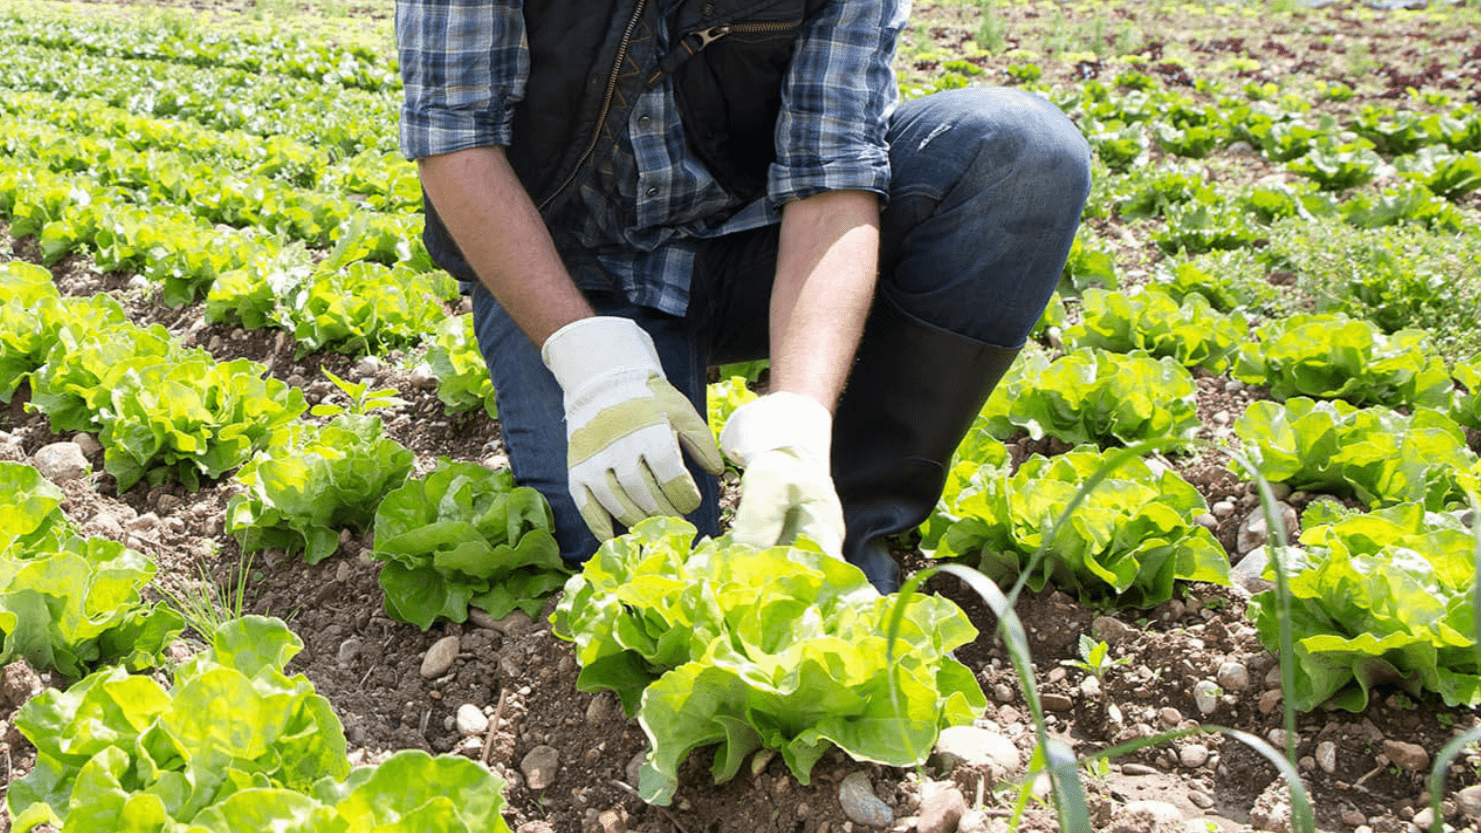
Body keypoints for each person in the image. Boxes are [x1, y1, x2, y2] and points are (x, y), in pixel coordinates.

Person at [396, 0, 1091, 593]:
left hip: (758, 243)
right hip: (575, 268)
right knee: (649, 563)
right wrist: (589, 364)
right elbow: (457, 141)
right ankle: (602, 364)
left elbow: (831, 178)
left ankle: (842, 534)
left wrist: (798, 419)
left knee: (1020, 153)